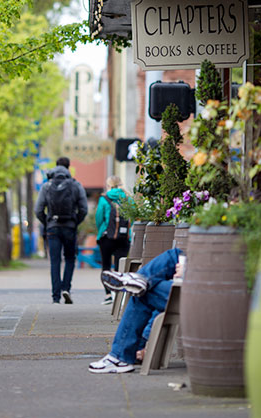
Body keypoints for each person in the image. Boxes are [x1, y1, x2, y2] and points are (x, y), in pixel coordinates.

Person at [89, 248, 183, 374]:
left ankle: (121, 356)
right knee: (175, 255)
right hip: (198, 286)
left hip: (204, 293)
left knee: (143, 291)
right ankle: (139, 279)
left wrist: (189, 271)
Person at [35, 157, 88, 304]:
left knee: (55, 261)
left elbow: (38, 209)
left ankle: (55, 296)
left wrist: (47, 222)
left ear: (56, 166)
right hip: (70, 227)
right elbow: (83, 208)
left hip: (53, 227)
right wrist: (75, 221)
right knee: (70, 258)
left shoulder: (47, 186)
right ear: (68, 167)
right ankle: (66, 288)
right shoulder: (75, 185)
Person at [95, 176, 131, 305]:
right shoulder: (127, 198)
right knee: (119, 267)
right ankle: (119, 295)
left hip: (107, 238)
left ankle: (108, 294)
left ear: (109, 185)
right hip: (124, 238)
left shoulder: (104, 199)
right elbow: (133, 216)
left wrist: (102, 231)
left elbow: (99, 218)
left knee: (106, 266)